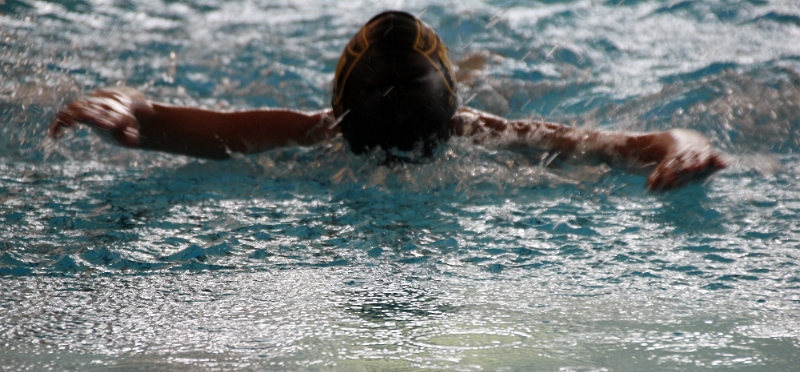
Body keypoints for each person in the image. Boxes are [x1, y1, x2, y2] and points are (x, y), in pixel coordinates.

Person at [49, 10, 726, 190]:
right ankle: (471, 63)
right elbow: (154, 117)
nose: (396, 104)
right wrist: (121, 107)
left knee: (493, 75)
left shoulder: (480, 131)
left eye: (408, 89)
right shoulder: (311, 130)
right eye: (383, 89)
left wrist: (685, 148)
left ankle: (477, 65)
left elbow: (659, 142)